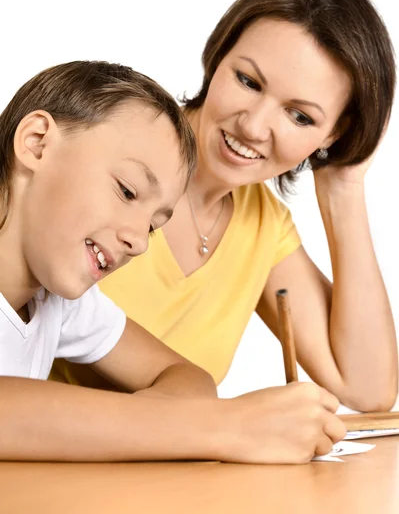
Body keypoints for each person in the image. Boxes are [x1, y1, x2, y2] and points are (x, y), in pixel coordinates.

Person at [55, 0, 398, 412]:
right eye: (248, 81)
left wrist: (343, 186)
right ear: (219, 57)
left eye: (301, 117)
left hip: (154, 479)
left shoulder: (262, 226)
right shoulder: (113, 140)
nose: (254, 126)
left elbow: (368, 390)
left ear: (333, 134)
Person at [0, 59, 346, 464]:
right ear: (37, 142)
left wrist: (167, 425)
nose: (137, 241)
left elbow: (189, 379)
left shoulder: (61, 305)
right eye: (127, 191)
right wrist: (225, 427)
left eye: (152, 226)